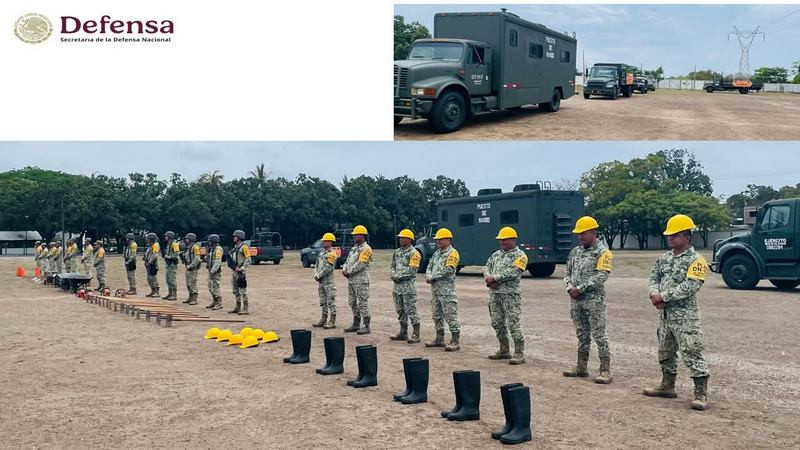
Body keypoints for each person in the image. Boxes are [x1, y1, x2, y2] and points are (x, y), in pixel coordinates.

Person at [644, 214, 711, 411]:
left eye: (675, 235)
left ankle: (700, 393)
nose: (670, 238)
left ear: (687, 236)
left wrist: (663, 296)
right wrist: (654, 293)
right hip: (665, 316)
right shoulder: (664, 258)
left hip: (685, 317)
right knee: (665, 351)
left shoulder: (697, 260)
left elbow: (691, 286)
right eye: (669, 235)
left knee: (692, 351)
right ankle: (667, 385)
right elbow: (654, 276)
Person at [562, 216, 614, 383]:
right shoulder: (575, 252)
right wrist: (570, 287)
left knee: (599, 335)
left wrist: (581, 288)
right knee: (582, 334)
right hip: (576, 300)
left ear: (593, 232)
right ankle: (581, 367)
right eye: (578, 234)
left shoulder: (603, 252)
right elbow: (567, 273)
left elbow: (602, 275)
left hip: (594, 300)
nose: (580, 236)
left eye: (583, 233)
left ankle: (605, 370)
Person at [484, 226, 529, 365]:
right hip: (495, 294)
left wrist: (495, 278)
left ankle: (519, 353)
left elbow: (515, 272)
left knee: (513, 323)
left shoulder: (520, 256)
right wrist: (488, 279)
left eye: (504, 239)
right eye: (500, 240)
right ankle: (504, 350)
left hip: (510, 296)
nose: (501, 242)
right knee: (497, 322)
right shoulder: (496, 254)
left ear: (513, 240)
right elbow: (486, 267)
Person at [424, 228, 461, 351]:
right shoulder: (436, 253)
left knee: (450, 315)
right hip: (435, 291)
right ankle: (439, 338)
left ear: (448, 239)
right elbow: (429, 266)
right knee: (437, 315)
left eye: (440, 239)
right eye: (437, 239)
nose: (438, 241)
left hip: (447, 292)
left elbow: (449, 269)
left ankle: (455, 340)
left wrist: (433, 277)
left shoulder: (452, 253)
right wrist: (428, 275)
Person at [389, 228, 422, 344]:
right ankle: (403, 332)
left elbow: (412, 270)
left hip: (408, 287)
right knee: (400, 310)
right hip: (397, 287)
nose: (401, 239)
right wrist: (393, 274)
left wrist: (398, 276)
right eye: (400, 238)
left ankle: (416, 334)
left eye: (403, 237)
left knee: (411, 310)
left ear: (410, 239)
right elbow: (392, 266)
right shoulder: (397, 252)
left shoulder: (414, 253)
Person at [342, 225, 373, 334]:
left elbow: (361, 264)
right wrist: (344, 269)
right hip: (351, 280)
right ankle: (356, 323)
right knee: (353, 302)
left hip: (361, 280)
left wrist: (349, 271)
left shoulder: (366, 249)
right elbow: (347, 261)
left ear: (362, 235)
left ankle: (366, 325)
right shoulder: (354, 248)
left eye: (356, 235)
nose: (354, 237)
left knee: (362, 302)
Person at [312, 232, 338, 329]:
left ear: (331, 242)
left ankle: (332, 321)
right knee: (323, 301)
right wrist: (316, 274)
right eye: (324, 241)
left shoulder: (332, 254)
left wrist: (319, 275)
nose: (324, 242)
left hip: (329, 282)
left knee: (331, 301)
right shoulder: (322, 253)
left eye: (326, 241)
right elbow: (317, 265)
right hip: (321, 281)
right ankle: (323, 319)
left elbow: (329, 267)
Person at [228, 230, 251, 315]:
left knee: (242, 290)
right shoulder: (235, 247)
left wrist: (242, 268)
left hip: (240, 272)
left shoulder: (244, 247)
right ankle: (238, 307)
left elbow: (248, 259)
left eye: (235, 236)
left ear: (239, 237)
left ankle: (245, 308)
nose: (234, 238)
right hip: (234, 271)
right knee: (235, 290)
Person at [182, 233, 202, 305]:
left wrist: (191, 265)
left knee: (192, 283)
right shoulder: (189, 247)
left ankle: (194, 298)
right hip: (188, 267)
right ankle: (190, 297)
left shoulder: (195, 247)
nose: (186, 240)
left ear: (191, 239)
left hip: (193, 268)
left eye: (187, 239)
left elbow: (197, 258)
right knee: (188, 283)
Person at [206, 234, 224, 310]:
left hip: (215, 271)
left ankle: (219, 303)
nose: (209, 242)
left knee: (216, 287)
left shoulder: (218, 249)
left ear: (213, 241)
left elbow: (218, 261)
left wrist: (213, 270)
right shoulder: (212, 249)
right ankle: (214, 301)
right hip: (211, 271)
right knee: (210, 287)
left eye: (210, 241)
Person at [161, 231, 180, 301]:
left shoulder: (174, 244)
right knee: (168, 279)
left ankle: (174, 295)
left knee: (172, 279)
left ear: (170, 237)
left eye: (166, 236)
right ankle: (170, 293)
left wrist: (169, 257)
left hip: (172, 264)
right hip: (168, 264)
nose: (165, 237)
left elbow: (177, 253)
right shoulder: (169, 244)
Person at [143, 233, 161, 297]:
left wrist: (150, 262)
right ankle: (152, 291)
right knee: (149, 278)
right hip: (148, 264)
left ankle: (157, 292)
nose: (147, 240)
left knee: (153, 278)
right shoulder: (150, 246)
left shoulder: (155, 245)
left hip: (153, 264)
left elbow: (155, 255)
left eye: (148, 239)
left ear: (151, 239)